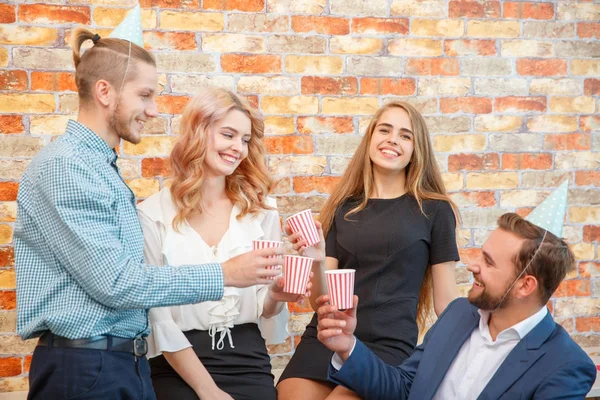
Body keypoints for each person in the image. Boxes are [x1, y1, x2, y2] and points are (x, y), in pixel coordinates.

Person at [13, 12, 282, 400]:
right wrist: (223, 273)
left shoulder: (100, 168)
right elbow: (117, 283)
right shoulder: (66, 167)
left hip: (122, 363)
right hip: (88, 367)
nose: (154, 110)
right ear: (105, 93)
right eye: (144, 95)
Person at [277, 101, 460, 399]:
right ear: (371, 138)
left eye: (405, 135)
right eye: (384, 130)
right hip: (328, 334)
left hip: (387, 345)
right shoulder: (343, 208)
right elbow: (320, 302)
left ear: (417, 149)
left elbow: (446, 302)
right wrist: (315, 259)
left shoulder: (435, 211)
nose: (392, 139)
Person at [138, 88, 310, 400]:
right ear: (198, 133)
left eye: (245, 140)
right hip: (177, 366)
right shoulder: (152, 215)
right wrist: (208, 391)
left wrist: (276, 295)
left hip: (248, 361)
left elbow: (264, 310)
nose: (238, 148)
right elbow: (158, 318)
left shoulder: (262, 212)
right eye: (228, 135)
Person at [316, 210, 597, 399]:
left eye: (488, 262)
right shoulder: (458, 314)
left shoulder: (566, 366)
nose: (473, 265)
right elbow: (404, 387)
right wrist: (347, 346)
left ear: (526, 285)